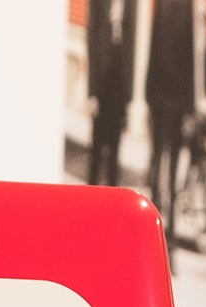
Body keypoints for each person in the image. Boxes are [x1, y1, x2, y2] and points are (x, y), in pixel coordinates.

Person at [147, 0, 199, 258]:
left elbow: (191, 58)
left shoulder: (187, 6)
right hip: (159, 99)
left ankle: (172, 238)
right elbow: (152, 48)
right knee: (156, 166)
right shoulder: (161, 5)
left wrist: (189, 108)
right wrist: (148, 96)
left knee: (174, 171)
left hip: (178, 103)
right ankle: (152, 233)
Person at [86, 0, 134, 188]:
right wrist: (91, 93)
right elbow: (91, 41)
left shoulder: (131, 4)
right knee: (97, 149)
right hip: (101, 85)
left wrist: (129, 95)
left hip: (119, 87)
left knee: (115, 149)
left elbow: (132, 44)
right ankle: (89, 200)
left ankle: (111, 200)